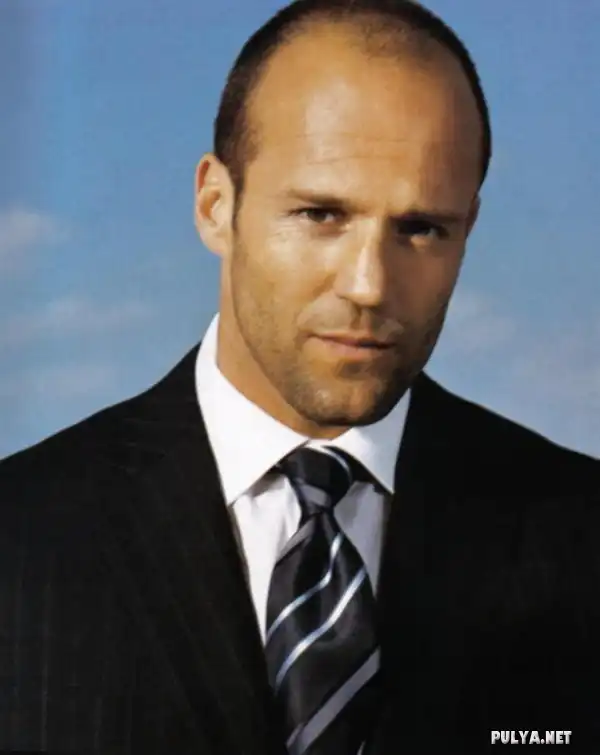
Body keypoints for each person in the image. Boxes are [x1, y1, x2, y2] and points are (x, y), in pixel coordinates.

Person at [0, 0, 598, 753]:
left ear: (468, 228)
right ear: (215, 206)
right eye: (321, 215)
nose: (369, 285)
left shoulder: (580, 536)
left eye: (421, 228)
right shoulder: (21, 538)